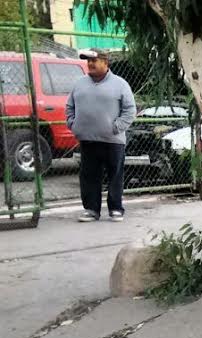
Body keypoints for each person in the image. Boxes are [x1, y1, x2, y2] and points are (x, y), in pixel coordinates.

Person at [66, 49, 136, 222]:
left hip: (113, 140)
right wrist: (74, 125)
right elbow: (70, 107)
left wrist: (116, 127)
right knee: (89, 176)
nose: (90, 64)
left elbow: (130, 110)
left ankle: (115, 209)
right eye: (88, 61)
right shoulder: (79, 83)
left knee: (115, 175)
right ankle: (91, 210)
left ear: (105, 63)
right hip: (87, 139)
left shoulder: (120, 84)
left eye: (94, 60)